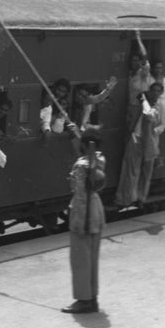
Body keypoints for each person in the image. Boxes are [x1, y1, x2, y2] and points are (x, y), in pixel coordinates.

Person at [61, 128, 106, 314]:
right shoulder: (99, 159)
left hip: (84, 212)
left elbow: (81, 192)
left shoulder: (83, 166)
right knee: (92, 258)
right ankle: (92, 297)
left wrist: (79, 222)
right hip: (96, 211)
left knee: (80, 259)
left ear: (86, 145)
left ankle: (84, 300)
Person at [115, 82, 165, 208]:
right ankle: (124, 199)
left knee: (146, 172)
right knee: (130, 170)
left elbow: (162, 124)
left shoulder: (161, 106)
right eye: (153, 90)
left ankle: (141, 198)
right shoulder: (141, 104)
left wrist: (154, 131)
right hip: (136, 138)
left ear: (160, 93)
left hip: (151, 141)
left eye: (157, 91)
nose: (155, 93)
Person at [126, 31, 154, 133]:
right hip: (130, 107)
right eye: (132, 60)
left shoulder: (143, 73)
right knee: (129, 131)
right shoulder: (129, 74)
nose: (135, 63)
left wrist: (138, 38)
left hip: (141, 108)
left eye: (136, 61)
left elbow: (144, 56)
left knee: (138, 132)